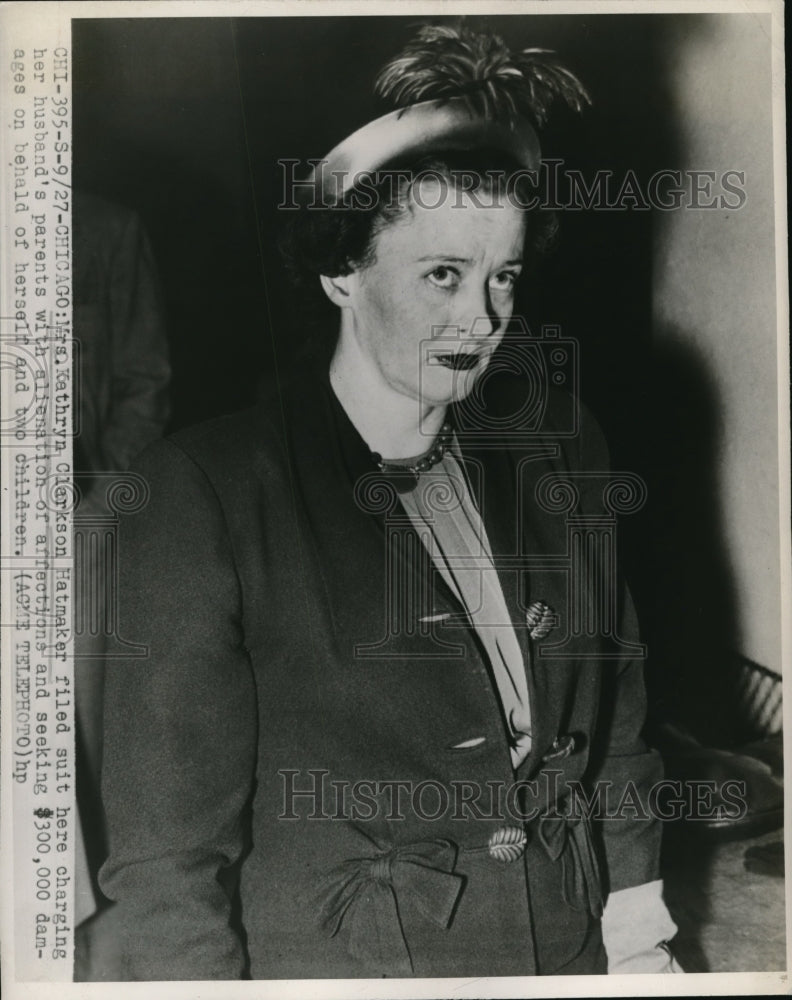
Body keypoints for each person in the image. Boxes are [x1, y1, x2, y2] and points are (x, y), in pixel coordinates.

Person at [99, 25, 681, 979]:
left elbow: (614, 717)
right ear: (340, 272)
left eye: (504, 276)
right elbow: (169, 865)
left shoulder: (564, 446)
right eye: (442, 275)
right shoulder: (203, 494)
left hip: (567, 935)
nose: (483, 319)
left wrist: (639, 938)